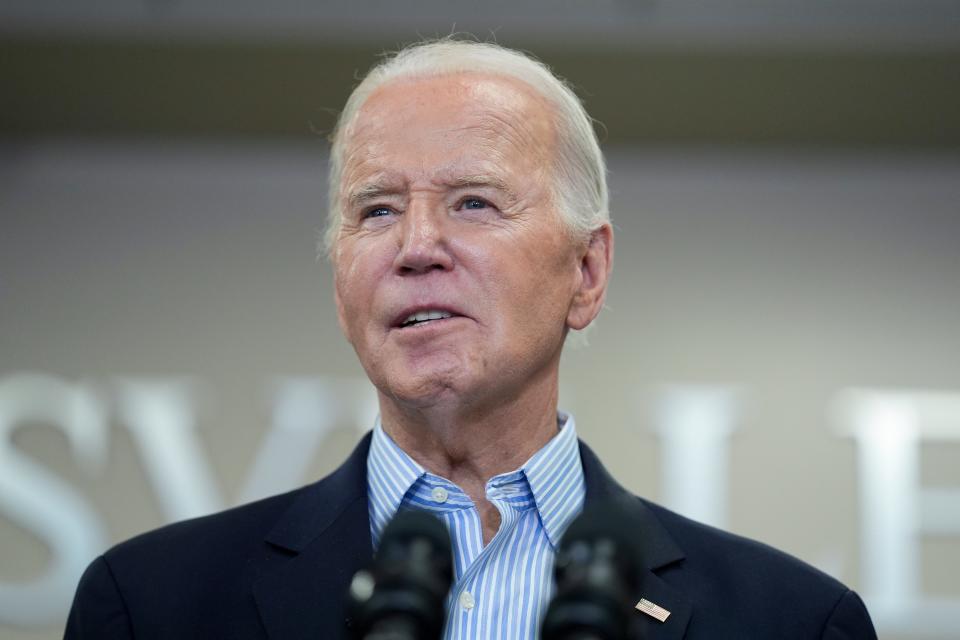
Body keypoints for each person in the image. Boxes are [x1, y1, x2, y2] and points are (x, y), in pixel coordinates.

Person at [65, 39, 877, 639]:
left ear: (587, 272)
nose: (415, 246)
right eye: (376, 209)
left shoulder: (793, 621)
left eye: (474, 203)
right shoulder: (151, 604)